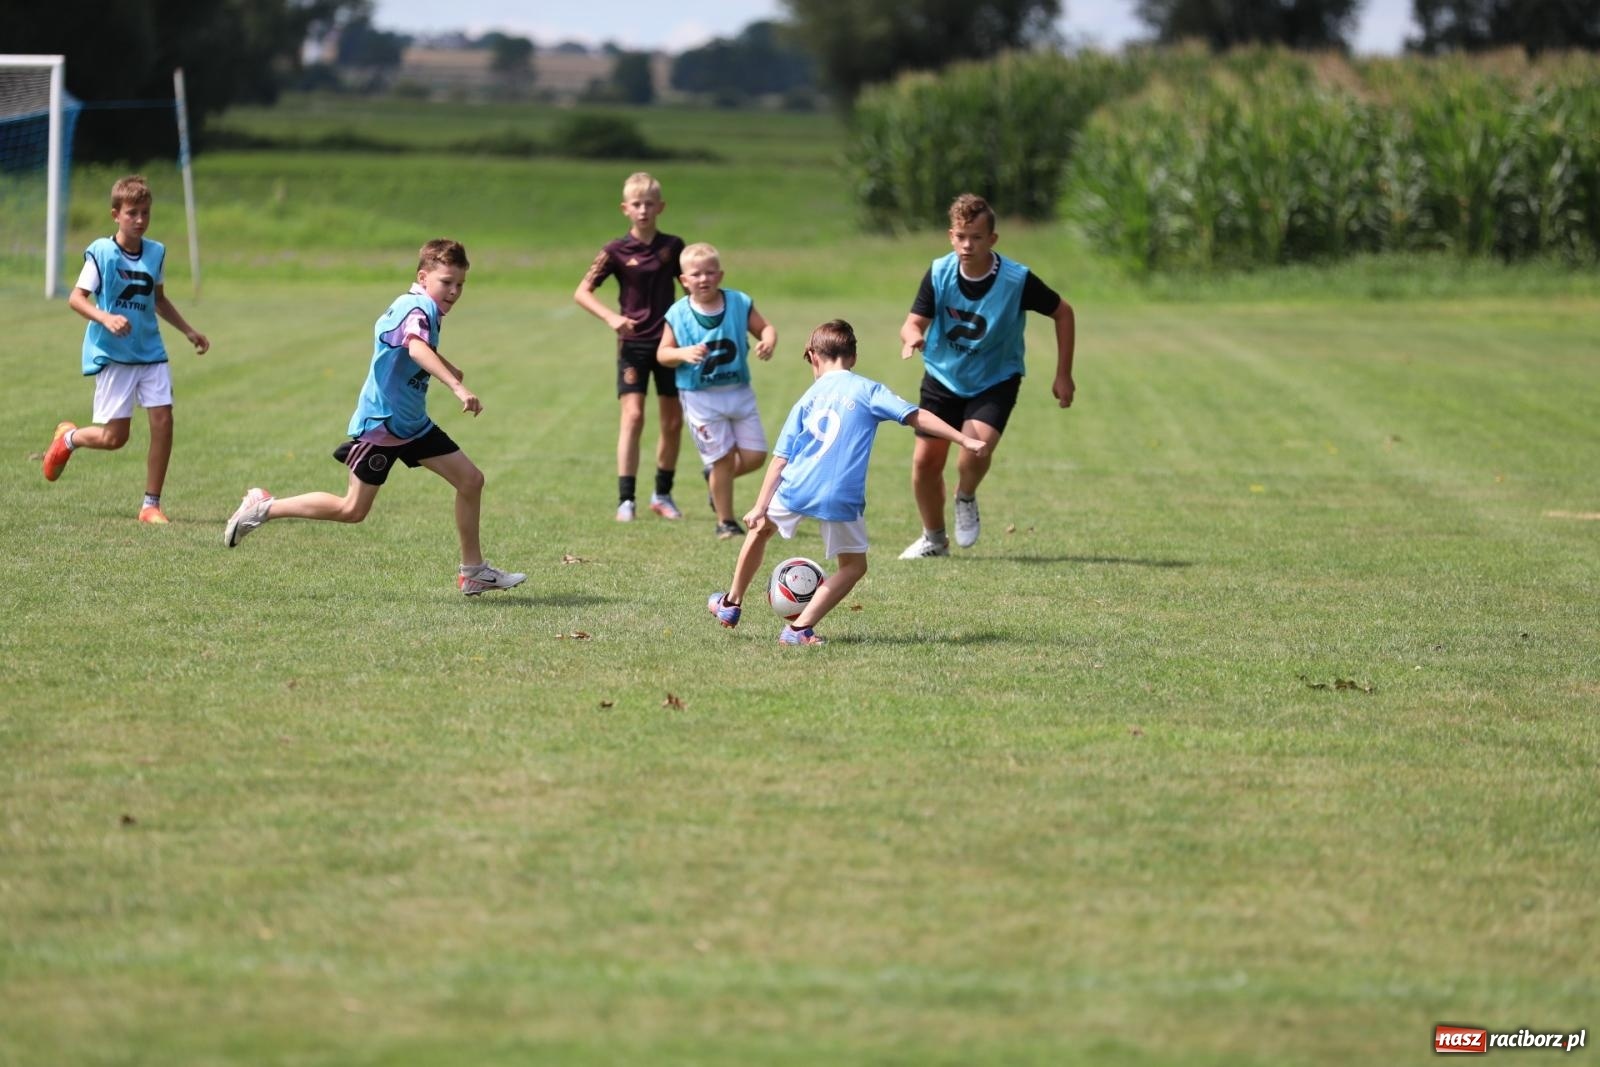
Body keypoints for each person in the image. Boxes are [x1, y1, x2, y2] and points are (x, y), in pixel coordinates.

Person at [223, 239, 526, 597]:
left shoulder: (419, 307)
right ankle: (264, 508)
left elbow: (415, 346)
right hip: (383, 426)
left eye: (460, 284)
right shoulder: (416, 307)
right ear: (423, 276)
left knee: (471, 480)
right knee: (352, 509)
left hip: (412, 424)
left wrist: (447, 366)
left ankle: (473, 572)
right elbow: (414, 347)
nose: (454, 291)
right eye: (447, 282)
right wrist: (457, 387)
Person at [707, 319, 987, 645]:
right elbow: (916, 416)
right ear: (853, 357)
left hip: (797, 483)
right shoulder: (869, 390)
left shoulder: (808, 398)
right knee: (853, 566)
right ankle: (799, 629)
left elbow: (781, 458)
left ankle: (731, 603)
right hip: (840, 494)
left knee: (760, 530)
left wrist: (759, 505)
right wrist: (963, 439)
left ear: (813, 356)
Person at [896, 193, 1076, 559]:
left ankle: (965, 495)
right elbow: (914, 321)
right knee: (924, 462)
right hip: (942, 377)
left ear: (992, 240)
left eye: (976, 237)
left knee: (972, 452)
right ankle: (933, 539)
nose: (967, 245)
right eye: (961, 236)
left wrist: (1064, 375)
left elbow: (1064, 313)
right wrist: (912, 337)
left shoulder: (1016, 280)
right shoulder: (939, 272)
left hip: (995, 378)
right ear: (951, 236)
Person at [41, 174, 210, 523]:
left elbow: (158, 300)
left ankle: (151, 505)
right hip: (116, 355)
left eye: (145, 212)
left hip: (151, 353)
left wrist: (188, 331)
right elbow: (76, 298)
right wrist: (105, 318)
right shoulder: (102, 252)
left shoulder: (156, 252)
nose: (140, 220)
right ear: (115, 214)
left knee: (163, 421)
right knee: (114, 438)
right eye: (132, 213)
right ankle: (68, 437)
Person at [573, 171, 687, 523]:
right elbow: (582, 292)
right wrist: (612, 319)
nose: (643, 210)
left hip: (670, 344)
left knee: (671, 422)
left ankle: (662, 495)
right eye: (637, 204)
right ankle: (627, 500)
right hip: (633, 344)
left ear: (660, 207)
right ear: (625, 208)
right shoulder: (615, 251)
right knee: (633, 416)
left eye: (649, 204)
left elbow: (692, 289)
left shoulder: (673, 247)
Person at [657, 242, 777, 539]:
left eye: (710, 272)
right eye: (696, 274)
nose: (704, 279)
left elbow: (766, 328)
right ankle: (725, 521)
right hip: (700, 397)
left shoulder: (738, 302)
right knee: (721, 459)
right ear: (684, 280)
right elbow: (663, 354)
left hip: (738, 391)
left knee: (756, 456)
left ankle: (716, 481)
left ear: (720, 275)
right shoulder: (678, 313)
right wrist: (682, 353)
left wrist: (768, 341)